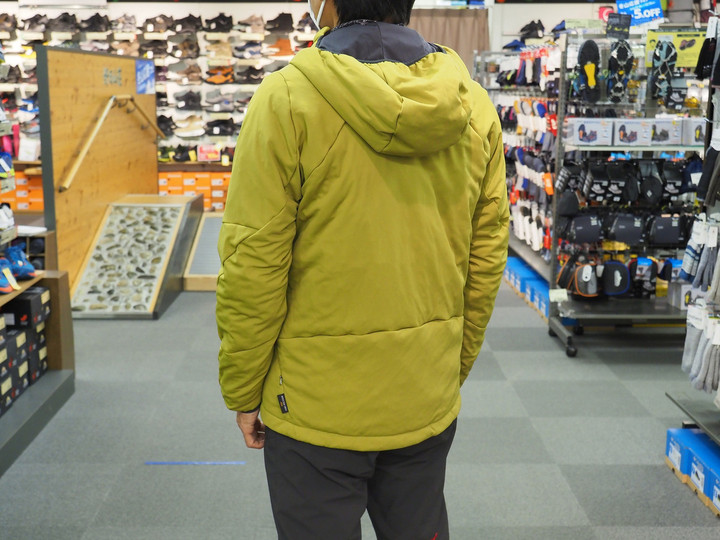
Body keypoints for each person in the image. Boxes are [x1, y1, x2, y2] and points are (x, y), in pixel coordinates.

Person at [216, 0, 509, 538]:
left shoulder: (285, 98)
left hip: (314, 404)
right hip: (423, 389)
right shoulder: (472, 104)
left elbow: (252, 264)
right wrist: (450, 366)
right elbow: (486, 258)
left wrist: (243, 388)